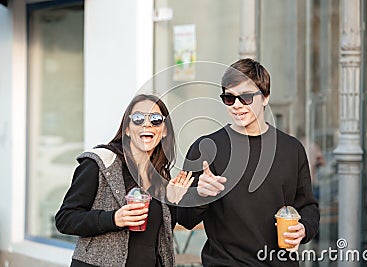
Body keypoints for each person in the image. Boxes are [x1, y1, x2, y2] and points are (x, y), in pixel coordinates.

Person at [177, 58, 320, 266]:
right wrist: (200, 194)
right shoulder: (205, 148)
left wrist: (304, 228)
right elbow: (185, 219)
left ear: (265, 97)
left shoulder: (292, 149)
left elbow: (308, 206)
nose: (236, 105)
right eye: (229, 98)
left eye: (245, 97)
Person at [55, 94, 193, 267]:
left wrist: (173, 200)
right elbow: (65, 219)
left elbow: (161, 235)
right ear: (127, 129)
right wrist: (113, 219)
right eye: (138, 118)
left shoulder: (160, 177)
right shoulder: (100, 163)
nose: (147, 123)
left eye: (156, 119)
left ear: (164, 130)